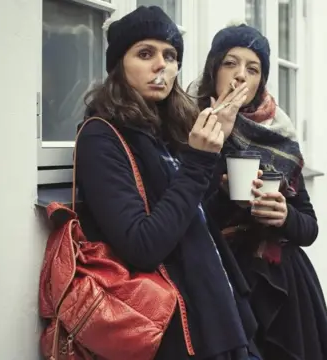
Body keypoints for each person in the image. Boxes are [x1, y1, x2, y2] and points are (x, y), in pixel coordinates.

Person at [76, 7, 261, 360]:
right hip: (176, 331)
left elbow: (195, 220)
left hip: (218, 314)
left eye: (170, 55)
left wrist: (217, 159)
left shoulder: (169, 129)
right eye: (145, 54)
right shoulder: (102, 137)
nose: (161, 65)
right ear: (119, 64)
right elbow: (142, 245)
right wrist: (197, 163)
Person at [188, 24, 327, 360]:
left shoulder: (277, 136)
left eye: (252, 68)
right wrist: (219, 141)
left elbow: (309, 228)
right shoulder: (186, 123)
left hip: (284, 287)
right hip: (222, 284)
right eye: (230, 63)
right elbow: (186, 220)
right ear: (214, 68)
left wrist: (285, 216)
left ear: (262, 80)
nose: (240, 76)